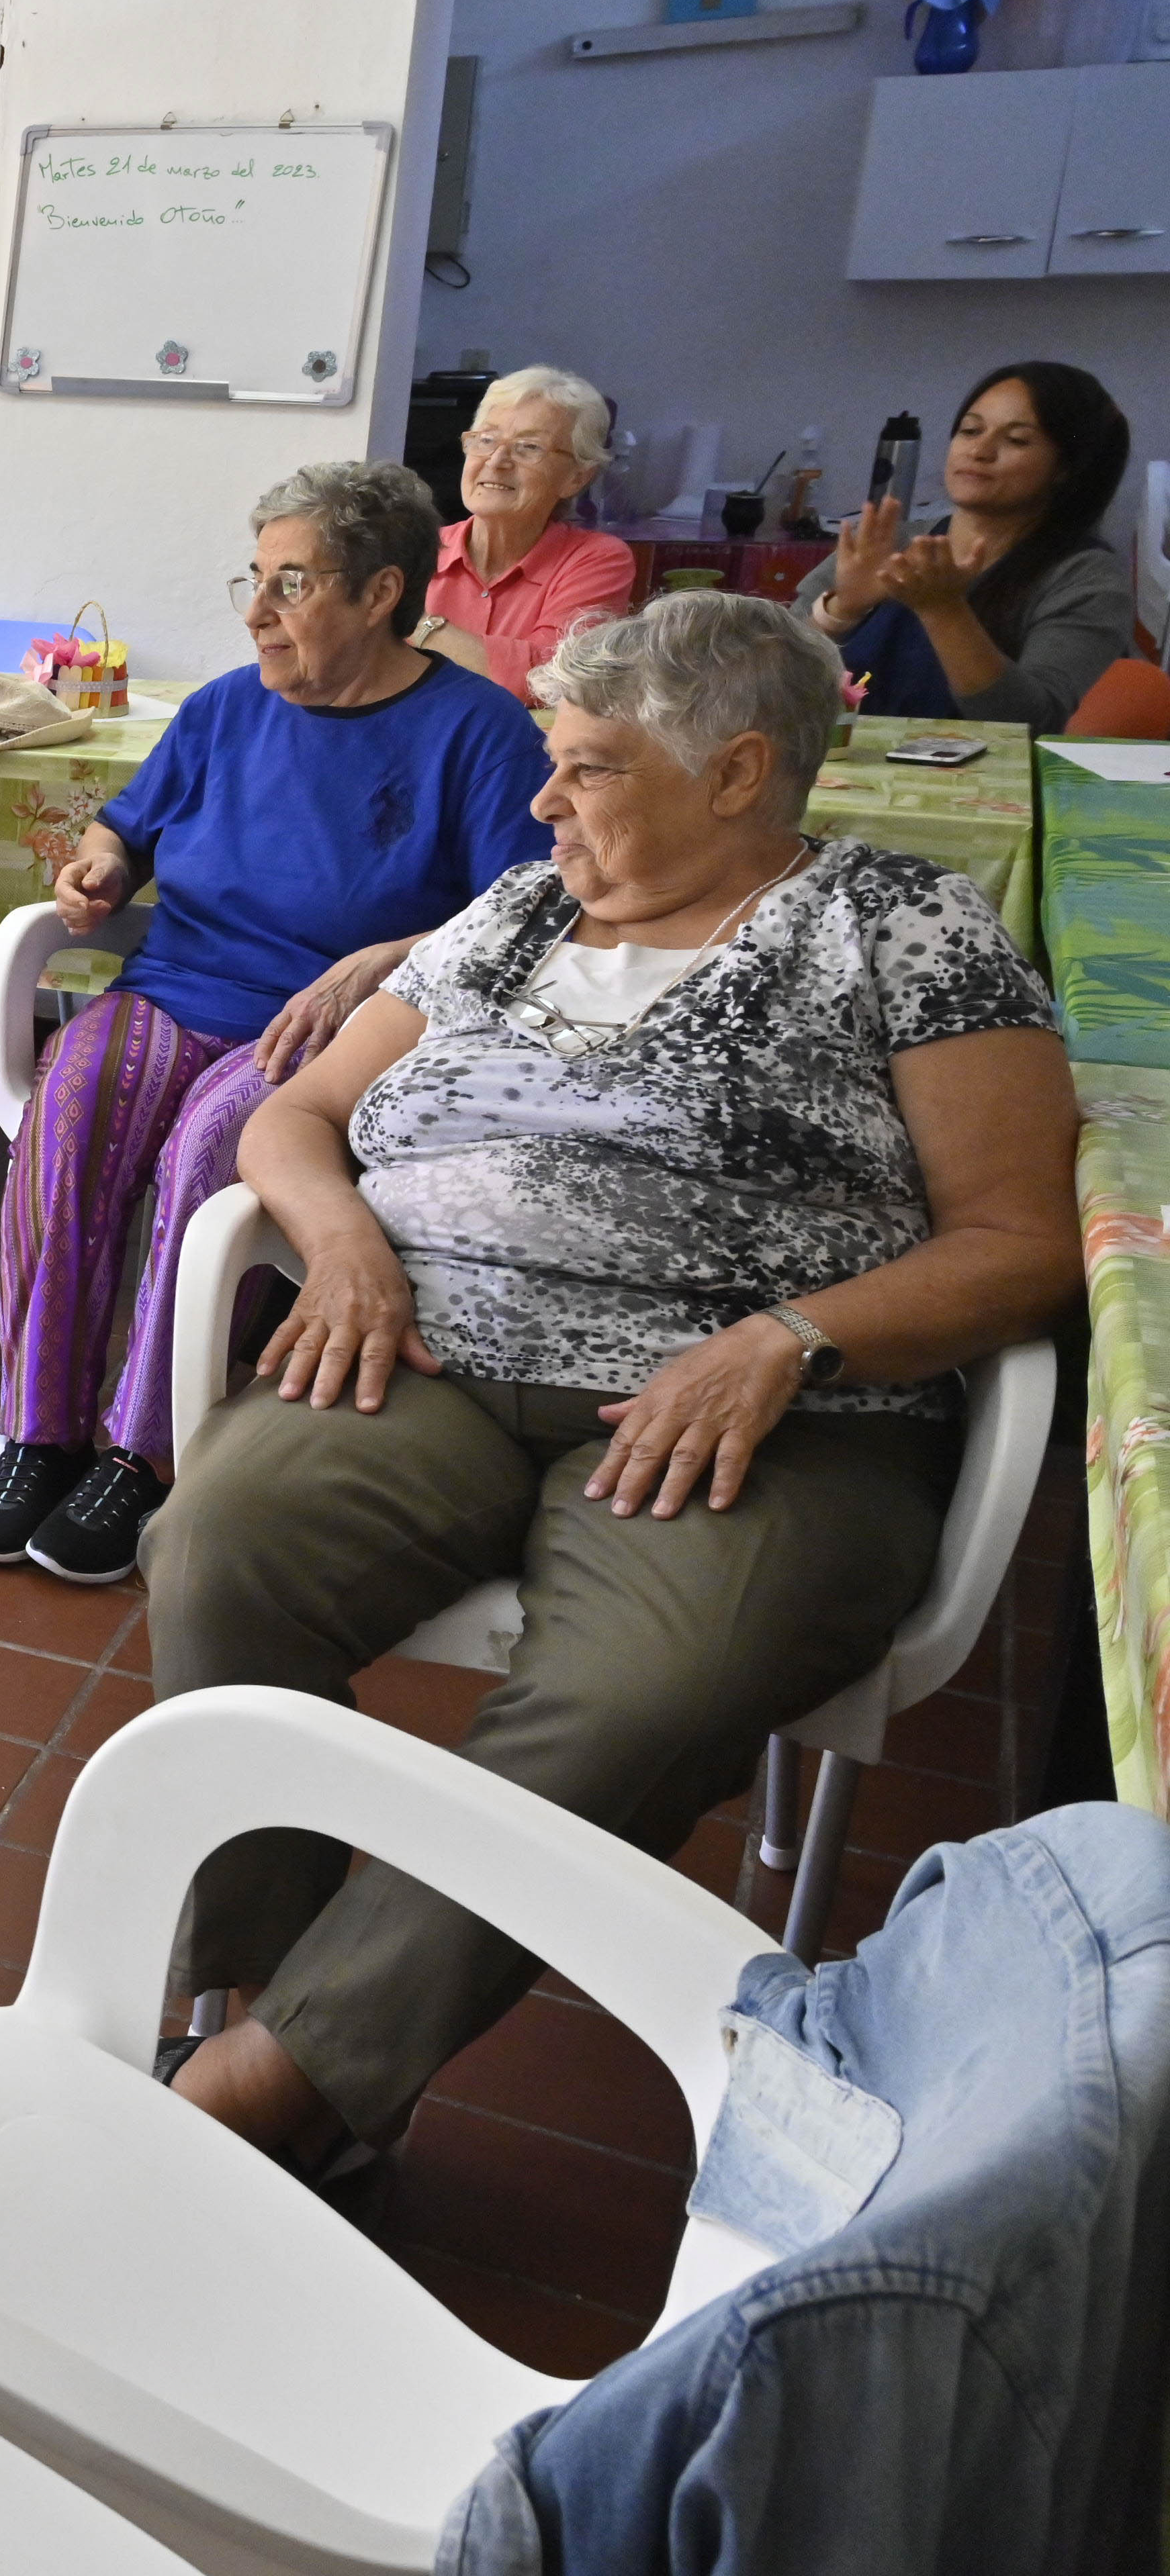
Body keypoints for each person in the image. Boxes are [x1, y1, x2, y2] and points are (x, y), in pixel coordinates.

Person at [149, 591, 1077, 2180]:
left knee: (644, 1689)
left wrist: (784, 1336)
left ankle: (273, 2079)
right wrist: (341, 1243)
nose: (541, 801)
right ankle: (278, 1991)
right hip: (426, 1350)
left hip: (762, 1416)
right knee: (222, 1544)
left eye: (583, 766)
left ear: (730, 774)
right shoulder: (506, 915)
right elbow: (289, 1116)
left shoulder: (900, 928)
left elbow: (1019, 1239)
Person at [0, 461, 553, 1586]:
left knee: (211, 1150)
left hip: (327, 1029)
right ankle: (36, 1430)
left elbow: (521, 914)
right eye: (256, 577)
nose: (256, 610)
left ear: (381, 593)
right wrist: (100, 861)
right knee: (71, 1111)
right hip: (179, 985)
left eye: (291, 582)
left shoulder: (478, 730)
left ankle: (148, 1448)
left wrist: (384, 959)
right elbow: (129, 830)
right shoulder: (224, 708)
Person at [800, 361, 1136, 733]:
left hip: (986, 789)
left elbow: (1030, 720)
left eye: (1017, 440)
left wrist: (944, 610)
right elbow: (765, 674)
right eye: (971, 430)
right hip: (844, 776)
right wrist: (842, 609)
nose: (980, 450)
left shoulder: (1087, 578)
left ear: (1066, 467)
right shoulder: (886, 544)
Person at [416, 364, 637, 699]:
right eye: (486, 440)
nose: (497, 460)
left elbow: (553, 680)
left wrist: (415, 625)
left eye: (529, 447)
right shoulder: (413, 549)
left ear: (577, 477)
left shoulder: (598, 560)